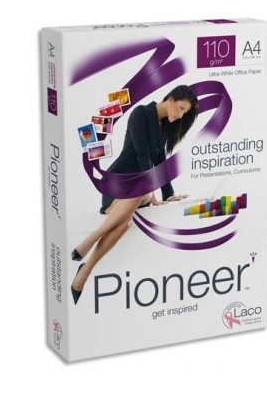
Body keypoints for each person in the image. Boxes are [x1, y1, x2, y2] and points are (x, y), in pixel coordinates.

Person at [70, 85, 199, 304]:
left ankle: (87, 260)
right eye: (181, 108)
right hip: (117, 184)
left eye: (184, 113)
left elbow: (160, 163)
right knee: (135, 206)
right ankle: (88, 254)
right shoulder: (141, 114)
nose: (180, 115)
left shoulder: (165, 127)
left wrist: (168, 194)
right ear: (171, 99)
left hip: (139, 191)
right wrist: (150, 189)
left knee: (127, 220)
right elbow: (142, 156)